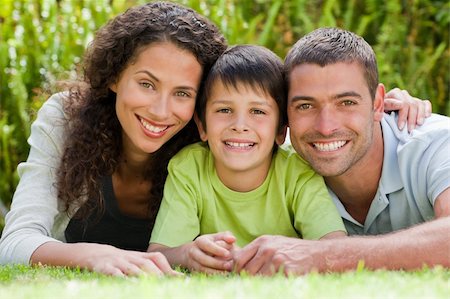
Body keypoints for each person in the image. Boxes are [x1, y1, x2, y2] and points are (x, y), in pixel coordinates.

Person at [0, 1, 227, 276]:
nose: (160, 111)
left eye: (182, 93)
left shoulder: (213, 142)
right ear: (115, 76)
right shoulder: (65, 120)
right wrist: (95, 255)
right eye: (147, 84)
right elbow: (15, 243)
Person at [234, 27, 450, 275]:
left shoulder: (436, 143)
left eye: (346, 103)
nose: (326, 127)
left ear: (377, 103)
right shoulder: (278, 166)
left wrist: (322, 255)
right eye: (305, 105)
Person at [148, 45, 347, 274]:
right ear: (202, 126)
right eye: (224, 110)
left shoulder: (297, 171)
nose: (240, 125)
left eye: (258, 112)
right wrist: (187, 254)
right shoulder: (189, 168)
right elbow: (159, 254)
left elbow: (333, 246)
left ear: (282, 131)